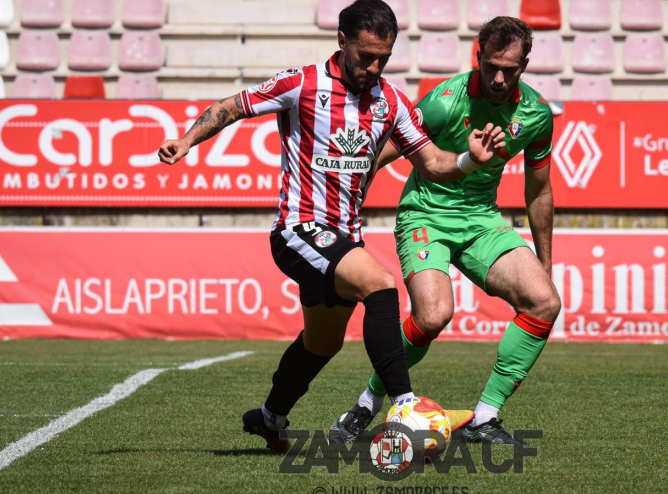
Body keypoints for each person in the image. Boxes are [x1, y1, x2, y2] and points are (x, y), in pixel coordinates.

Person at [157, 0, 506, 453]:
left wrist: (466, 160)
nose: (374, 66)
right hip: (298, 230)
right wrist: (186, 140)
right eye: (366, 55)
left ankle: (269, 418)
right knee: (380, 284)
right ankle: (403, 406)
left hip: (342, 237)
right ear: (342, 42)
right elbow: (232, 107)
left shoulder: (392, 101)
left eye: (384, 56)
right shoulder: (301, 83)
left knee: (322, 344)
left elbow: (432, 163)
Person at [329, 16, 562, 446]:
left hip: (482, 221)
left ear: (525, 65)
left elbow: (539, 190)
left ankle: (484, 418)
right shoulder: (445, 100)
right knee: (433, 315)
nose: (498, 77)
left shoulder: (536, 115)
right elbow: (385, 151)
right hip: (425, 216)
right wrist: (345, 203)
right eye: (490, 65)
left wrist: (545, 262)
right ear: (478, 57)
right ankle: (367, 403)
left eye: (509, 69)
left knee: (544, 302)